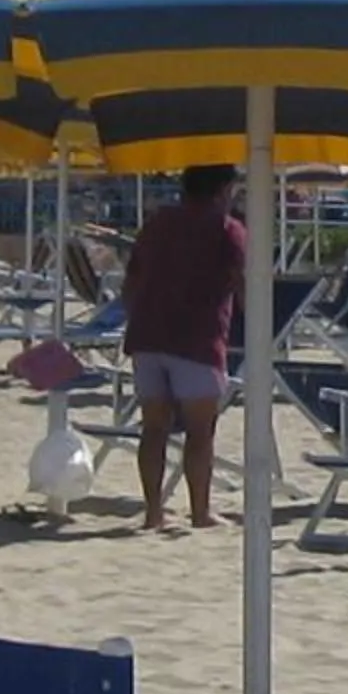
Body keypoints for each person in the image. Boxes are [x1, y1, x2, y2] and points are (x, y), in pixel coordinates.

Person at [123, 163, 248, 531]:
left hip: (147, 335)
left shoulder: (157, 223)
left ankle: (152, 512)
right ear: (223, 189)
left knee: (154, 428)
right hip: (197, 338)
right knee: (199, 430)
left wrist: (139, 316)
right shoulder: (227, 228)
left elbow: (130, 282)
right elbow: (242, 280)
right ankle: (200, 512)